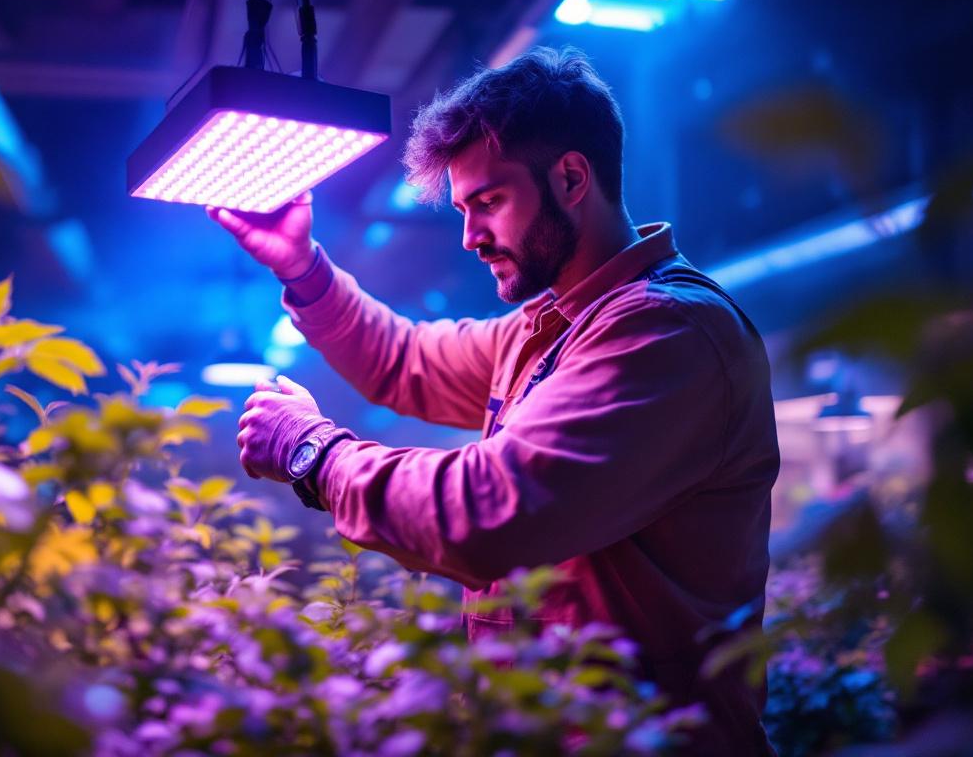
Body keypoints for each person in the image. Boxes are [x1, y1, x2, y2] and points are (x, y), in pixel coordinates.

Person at [208, 46, 779, 754]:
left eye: (488, 201)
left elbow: (487, 514)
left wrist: (311, 452)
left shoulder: (666, 332)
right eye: (464, 208)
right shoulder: (552, 326)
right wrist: (303, 268)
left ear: (572, 177)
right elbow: (405, 361)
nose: (472, 236)